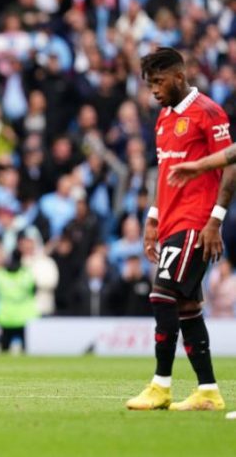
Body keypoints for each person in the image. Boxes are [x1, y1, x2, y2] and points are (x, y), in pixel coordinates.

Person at [125, 47, 231, 412]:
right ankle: (207, 391)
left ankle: (161, 385)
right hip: (171, 220)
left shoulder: (208, 112)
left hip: (196, 220)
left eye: (158, 82)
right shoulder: (164, 117)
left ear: (179, 77)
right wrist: (153, 218)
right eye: (149, 83)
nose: (153, 90)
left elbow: (231, 164)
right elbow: (164, 174)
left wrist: (215, 219)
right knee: (186, 306)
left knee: (162, 295)